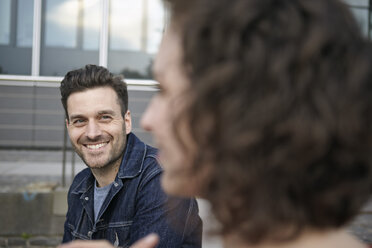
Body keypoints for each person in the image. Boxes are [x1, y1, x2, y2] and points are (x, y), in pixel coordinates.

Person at [59, 0, 372, 247]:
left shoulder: (155, 178)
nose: (150, 120)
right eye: (78, 121)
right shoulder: (80, 187)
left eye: (166, 90)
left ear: (244, 107)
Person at [59, 64, 202, 248]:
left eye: (104, 117)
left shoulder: (162, 179)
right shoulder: (79, 186)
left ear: (127, 122)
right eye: (80, 121)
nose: (92, 133)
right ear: (68, 126)